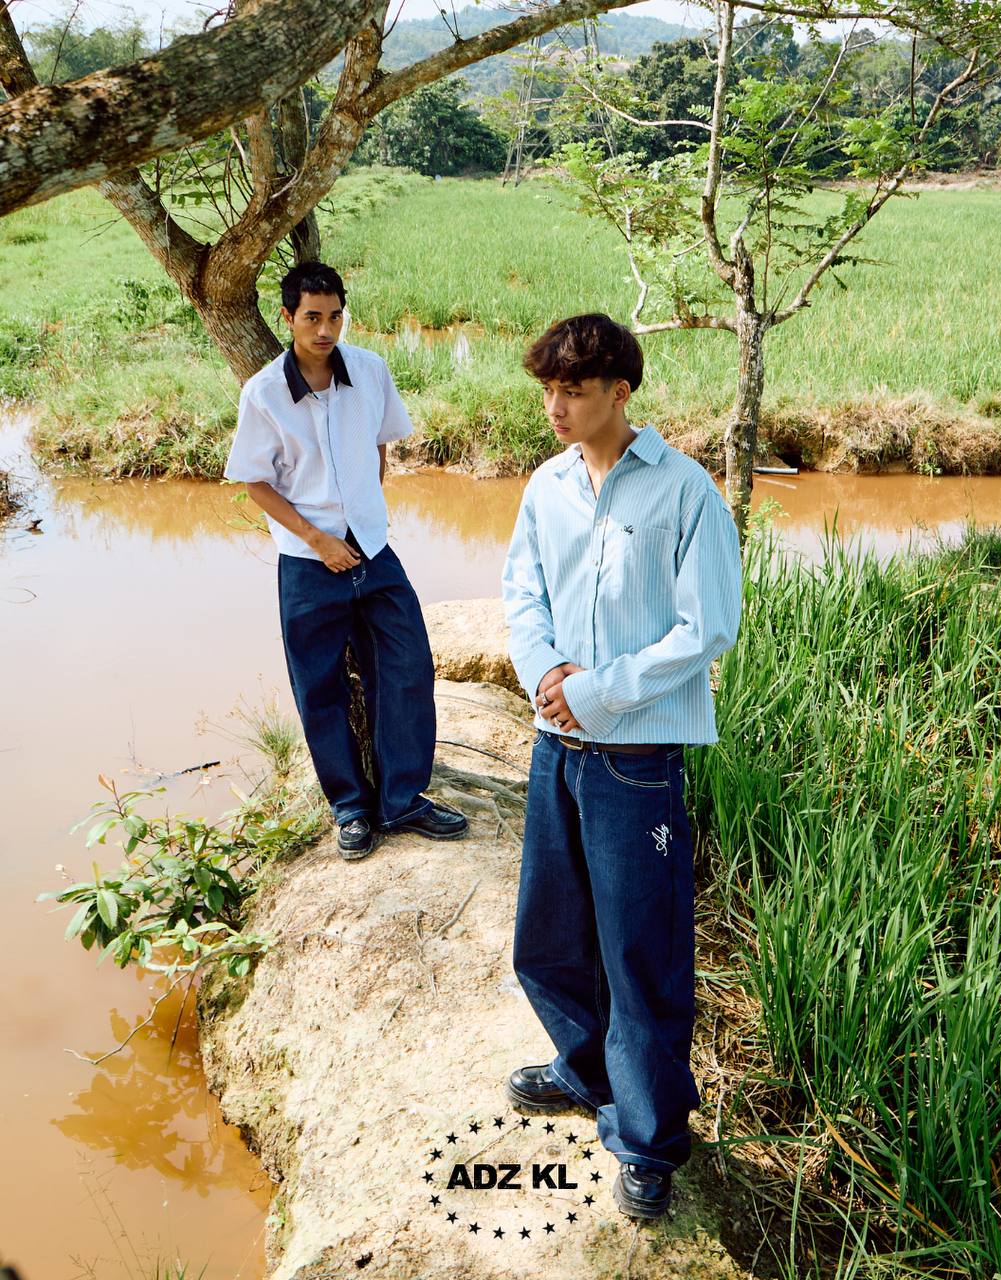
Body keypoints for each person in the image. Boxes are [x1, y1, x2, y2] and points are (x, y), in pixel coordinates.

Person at [501, 313, 742, 1219]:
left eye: (573, 391)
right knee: (550, 930)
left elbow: (707, 626)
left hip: (637, 758)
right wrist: (546, 672)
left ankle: (647, 1141)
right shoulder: (547, 487)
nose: (556, 408)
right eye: (548, 392)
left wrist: (597, 691)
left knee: (641, 952)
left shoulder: (684, 494)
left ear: (620, 392)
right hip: (554, 746)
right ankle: (582, 1067)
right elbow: (522, 590)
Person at [224, 261, 466, 859]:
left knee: (408, 664)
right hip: (308, 563)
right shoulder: (263, 394)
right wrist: (319, 539)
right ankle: (351, 809)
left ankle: (403, 799)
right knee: (321, 687)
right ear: (288, 318)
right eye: (312, 317)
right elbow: (254, 482)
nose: (326, 329)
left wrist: (365, 520)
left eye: (334, 315)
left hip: (374, 552)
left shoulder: (370, 370)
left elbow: (379, 446)